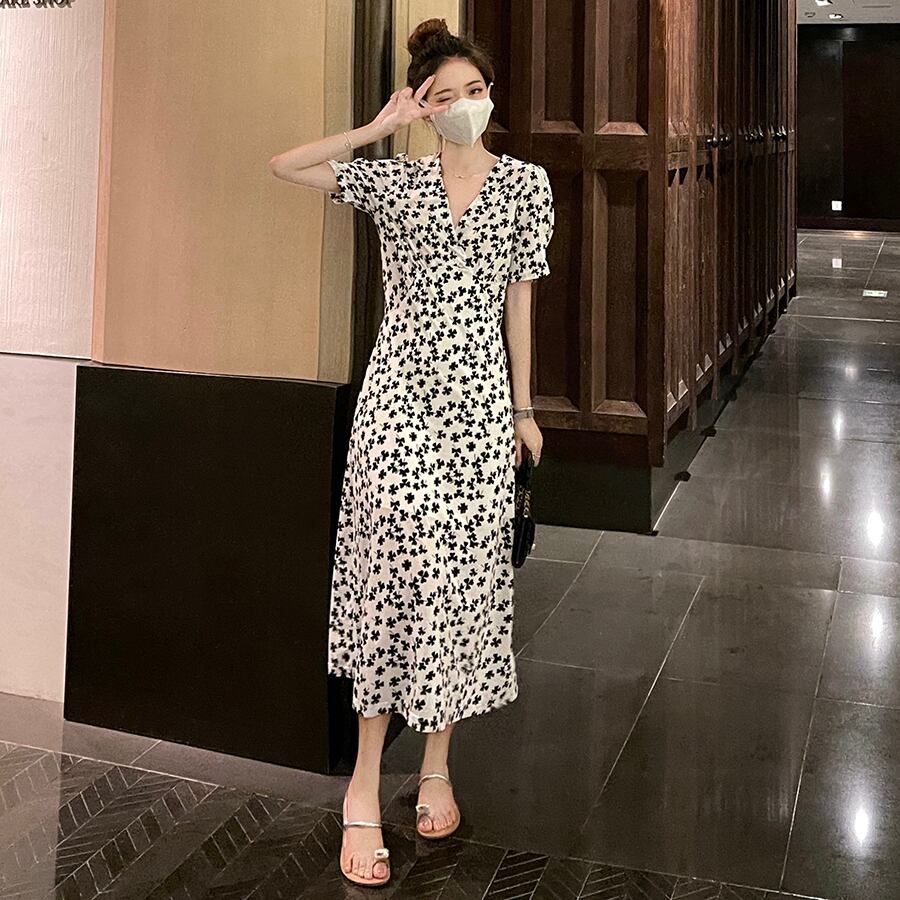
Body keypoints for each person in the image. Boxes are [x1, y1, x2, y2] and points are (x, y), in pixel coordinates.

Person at [269, 16, 554, 888]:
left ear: (490, 96)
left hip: (478, 408)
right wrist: (375, 128)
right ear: (425, 107)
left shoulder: (526, 186)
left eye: (476, 90)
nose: (466, 105)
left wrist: (525, 408)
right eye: (447, 96)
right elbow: (286, 165)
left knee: (460, 582)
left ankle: (436, 764)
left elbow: (520, 299)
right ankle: (363, 782)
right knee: (389, 577)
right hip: (396, 402)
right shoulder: (397, 182)